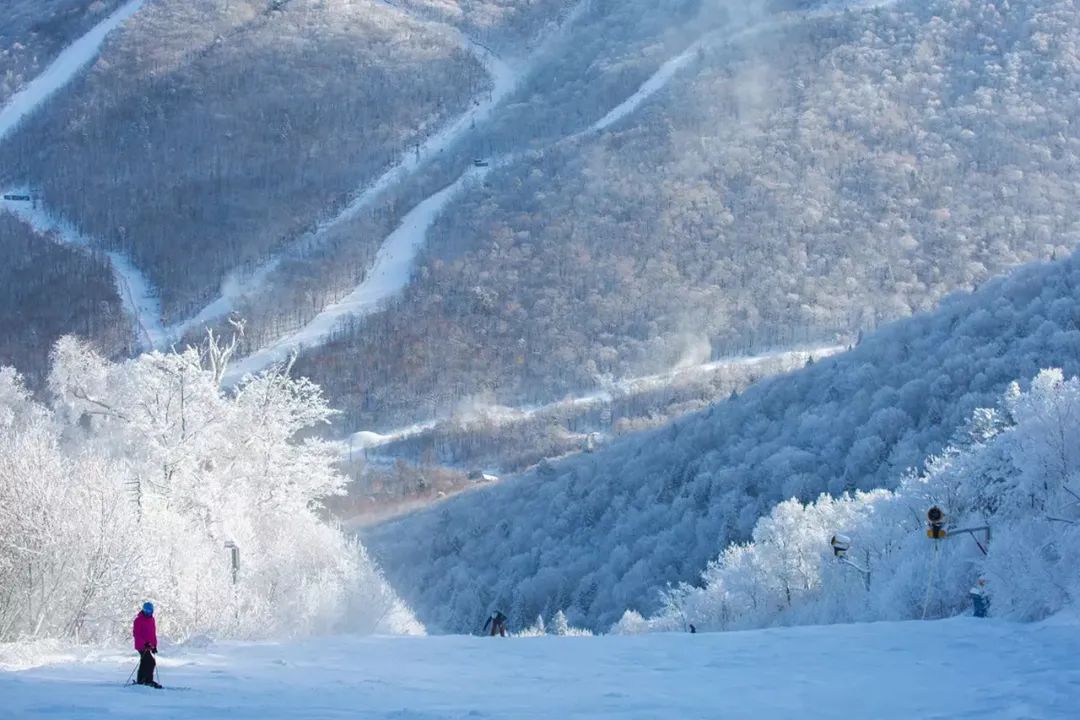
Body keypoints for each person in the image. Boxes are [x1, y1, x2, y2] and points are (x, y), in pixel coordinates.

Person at [132, 601, 161, 688]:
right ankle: (147, 680)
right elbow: (137, 634)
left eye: (150, 611)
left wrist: (154, 646)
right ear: (143, 610)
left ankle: (142, 680)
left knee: (145, 662)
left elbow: (152, 634)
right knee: (150, 661)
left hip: (148, 645)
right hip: (141, 645)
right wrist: (145, 644)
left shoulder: (152, 620)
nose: (148, 613)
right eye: (146, 611)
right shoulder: (138, 620)